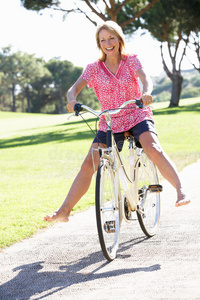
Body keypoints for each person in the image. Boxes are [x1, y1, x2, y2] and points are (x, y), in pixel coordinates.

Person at [44, 21, 190, 223]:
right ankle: (64, 211)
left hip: (137, 113)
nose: (107, 43)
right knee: (89, 164)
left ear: (119, 39)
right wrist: (72, 100)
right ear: (99, 44)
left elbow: (146, 78)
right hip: (110, 120)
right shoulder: (93, 68)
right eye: (102, 40)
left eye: (111, 38)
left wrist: (146, 93)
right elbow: (73, 89)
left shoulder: (131, 60)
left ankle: (180, 191)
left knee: (153, 148)